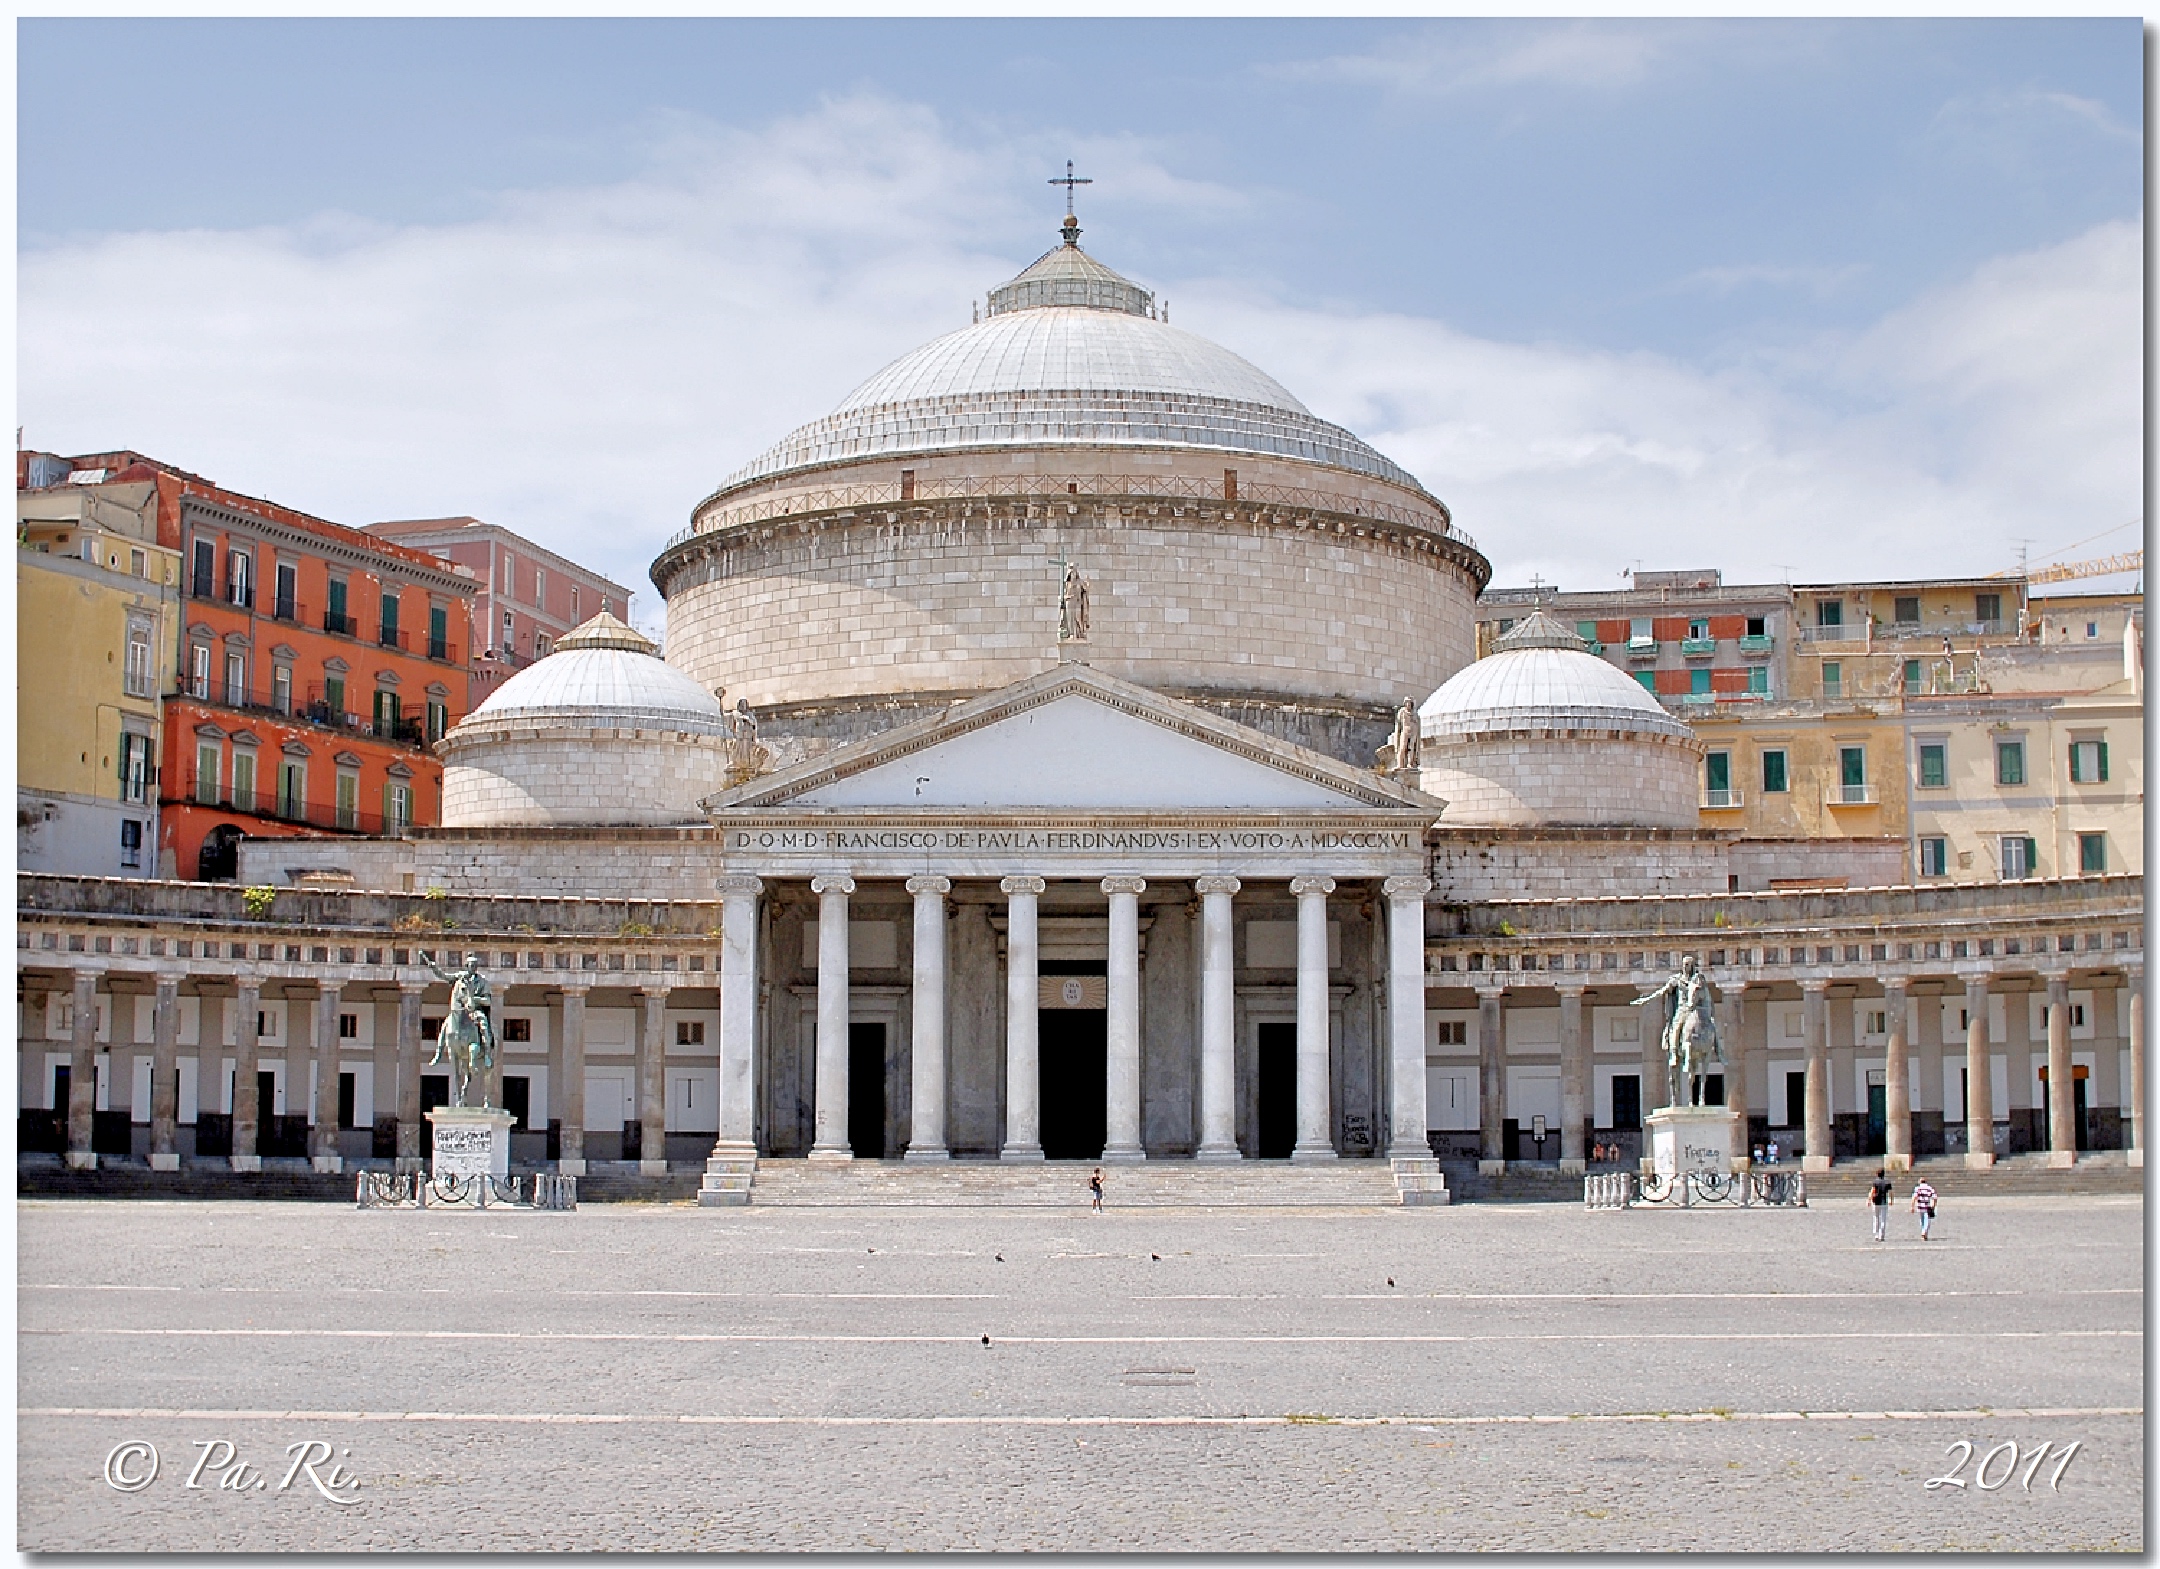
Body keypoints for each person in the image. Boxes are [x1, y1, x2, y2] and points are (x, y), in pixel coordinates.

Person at [1868, 1169, 1893, 1241]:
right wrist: (1891, 1200)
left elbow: (1872, 1191)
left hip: (1876, 1202)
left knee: (1876, 1218)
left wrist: (1869, 1200)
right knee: (1883, 1219)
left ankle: (1876, 1235)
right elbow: (1890, 1192)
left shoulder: (1875, 1182)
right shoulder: (1887, 1182)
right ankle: (1881, 1235)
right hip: (1884, 1202)